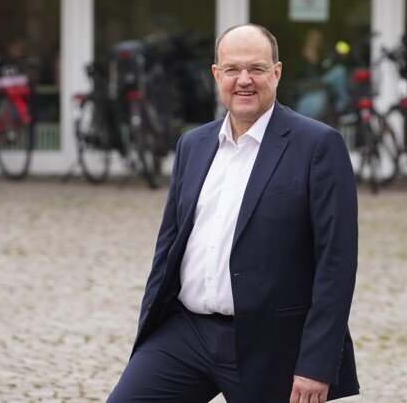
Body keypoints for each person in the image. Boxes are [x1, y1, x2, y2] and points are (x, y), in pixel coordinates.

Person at [107, 24, 359, 403]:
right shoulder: (193, 144)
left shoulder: (318, 145)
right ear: (216, 75)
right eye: (232, 69)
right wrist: (150, 332)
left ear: (276, 72)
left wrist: (316, 364)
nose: (244, 80)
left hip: (273, 343)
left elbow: (336, 264)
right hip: (186, 334)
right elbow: (169, 245)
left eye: (256, 69)